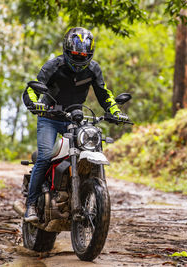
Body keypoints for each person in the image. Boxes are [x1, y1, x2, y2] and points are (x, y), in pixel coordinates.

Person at [22, 27, 129, 222]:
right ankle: (31, 205)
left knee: (90, 148)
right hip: (50, 117)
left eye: (83, 56)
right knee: (45, 155)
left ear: (90, 54)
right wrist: (35, 104)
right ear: (66, 50)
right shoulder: (54, 65)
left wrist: (115, 112)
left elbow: (104, 94)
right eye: (75, 56)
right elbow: (32, 89)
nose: (79, 61)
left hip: (75, 119)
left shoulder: (94, 69)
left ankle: (84, 192)